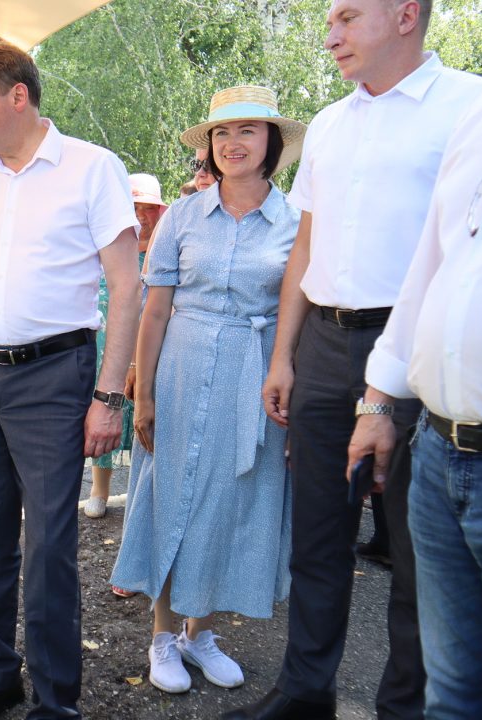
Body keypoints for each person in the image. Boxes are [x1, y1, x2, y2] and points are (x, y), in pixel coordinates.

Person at [230, 1, 482, 718]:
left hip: (415, 354)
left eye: (346, 16)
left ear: (405, 14)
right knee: (317, 536)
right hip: (324, 343)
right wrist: (283, 355)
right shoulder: (330, 123)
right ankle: (304, 694)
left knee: (417, 554)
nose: (331, 35)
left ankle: (403, 707)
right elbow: (306, 247)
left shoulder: (471, 108)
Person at [0, 42, 141, 720]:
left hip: (54, 378)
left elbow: (126, 287)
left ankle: (54, 700)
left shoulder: (92, 168)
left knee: (49, 551)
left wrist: (109, 397)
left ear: (18, 95)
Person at [111, 86, 305, 695]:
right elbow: (154, 311)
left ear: (272, 142)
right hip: (181, 368)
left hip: (253, 376)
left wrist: (288, 377)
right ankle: (162, 635)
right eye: (222, 132)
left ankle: (202, 634)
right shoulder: (182, 215)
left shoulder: (295, 222)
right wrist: (143, 395)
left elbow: (297, 312)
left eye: (247, 130)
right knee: (172, 495)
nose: (232, 143)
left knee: (230, 501)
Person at [348, 77, 482, 719]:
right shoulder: (477, 116)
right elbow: (430, 269)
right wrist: (378, 401)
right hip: (437, 445)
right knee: (452, 691)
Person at [84, 173, 167, 520]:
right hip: (112, 344)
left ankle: (147, 493)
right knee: (109, 406)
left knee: (149, 416)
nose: (142, 215)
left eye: (149, 208)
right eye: (134, 207)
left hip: (154, 345)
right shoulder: (110, 248)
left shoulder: (167, 247)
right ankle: (99, 489)